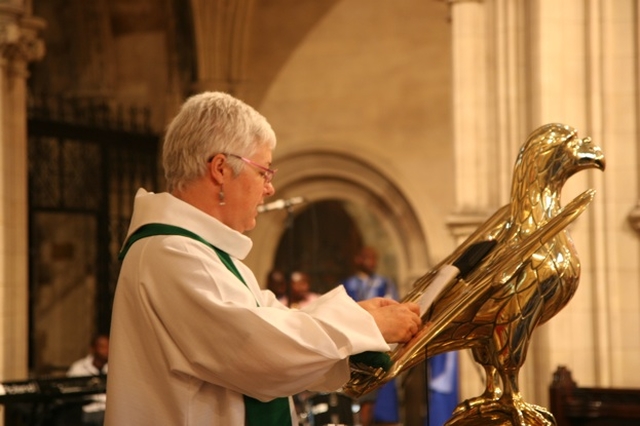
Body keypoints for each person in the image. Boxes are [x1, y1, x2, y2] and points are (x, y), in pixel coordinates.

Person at [104, 91, 422, 426]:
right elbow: (259, 352)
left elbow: (273, 323)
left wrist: (358, 316)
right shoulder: (170, 252)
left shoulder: (203, 253)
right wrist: (360, 325)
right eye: (263, 172)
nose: (270, 188)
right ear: (221, 169)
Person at [342, 246, 401, 426]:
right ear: (358, 260)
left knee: (385, 399)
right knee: (362, 401)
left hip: (382, 343)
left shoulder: (385, 284)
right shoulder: (347, 285)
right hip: (358, 345)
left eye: (375, 259)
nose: (372, 263)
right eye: (368, 258)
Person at [67, 334, 109, 426]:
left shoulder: (114, 368)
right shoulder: (78, 368)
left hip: (109, 411)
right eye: (102, 347)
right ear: (93, 348)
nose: (106, 350)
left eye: (108, 346)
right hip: (87, 412)